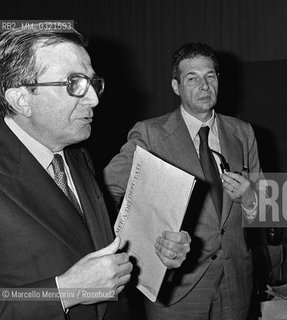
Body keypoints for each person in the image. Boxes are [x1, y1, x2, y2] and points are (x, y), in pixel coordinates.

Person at [0, 28, 190, 320]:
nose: (94, 99)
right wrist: (63, 292)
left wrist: (155, 255)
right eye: (74, 83)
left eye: (92, 82)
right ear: (21, 98)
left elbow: (97, 252)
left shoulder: (77, 156)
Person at [104, 42, 262, 320]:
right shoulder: (150, 134)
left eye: (210, 76)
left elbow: (264, 207)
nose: (204, 85)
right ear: (176, 86)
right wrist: (143, 244)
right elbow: (103, 194)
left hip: (236, 280)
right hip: (174, 287)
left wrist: (249, 198)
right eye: (192, 78)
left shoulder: (243, 133)